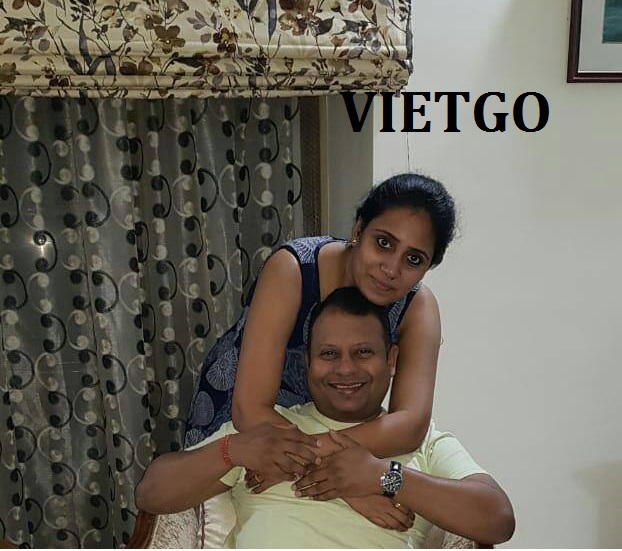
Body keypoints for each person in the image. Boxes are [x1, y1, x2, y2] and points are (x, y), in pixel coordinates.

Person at [138, 288, 515, 548]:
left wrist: (382, 476)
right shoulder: (267, 431)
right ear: (308, 363)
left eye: (363, 352)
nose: (345, 369)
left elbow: (497, 517)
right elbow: (152, 493)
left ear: (391, 360)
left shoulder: (419, 440)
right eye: (329, 354)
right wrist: (232, 451)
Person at [185, 173, 457, 488]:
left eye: (413, 259)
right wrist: (343, 480)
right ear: (358, 231)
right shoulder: (293, 269)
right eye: (383, 243)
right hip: (242, 421)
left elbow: (409, 426)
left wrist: (336, 472)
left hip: (329, 440)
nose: (391, 269)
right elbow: (250, 410)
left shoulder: (418, 308)